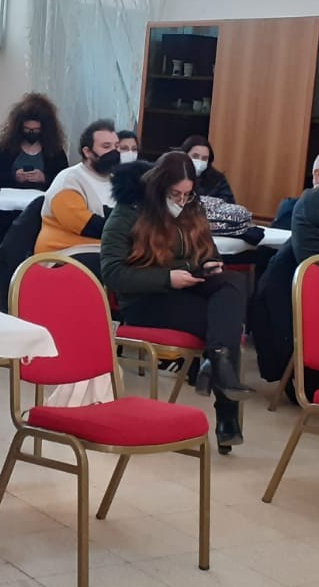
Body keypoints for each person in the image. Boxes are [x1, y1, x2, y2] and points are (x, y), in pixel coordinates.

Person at [101, 152, 254, 452]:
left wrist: (209, 264)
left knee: (233, 283)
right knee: (223, 322)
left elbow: (208, 250)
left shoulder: (192, 207)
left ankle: (217, 361)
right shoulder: (129, 212)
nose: (182, 201)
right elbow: (113, 274)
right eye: (175, 194)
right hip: (146, 300)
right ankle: (226, 413)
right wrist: (167, 278)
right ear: (158, 187)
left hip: (188, 286)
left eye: (187, 194)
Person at [35, 119, 119, 255]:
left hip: (105, 252)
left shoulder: (118, 181)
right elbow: (88, 226)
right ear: (87, 152)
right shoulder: (69, 181)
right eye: (106, 146)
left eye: (116, 146)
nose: (114, 152)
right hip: (64, 255)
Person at [0, 93, 68, 191]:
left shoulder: (55, 151)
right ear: (19, 128)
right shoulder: (7, 147)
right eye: (27, 129)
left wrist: (44, 178)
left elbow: (64, 180)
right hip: (11, 197)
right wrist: (14, 177)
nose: (31, 133)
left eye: (36, 130)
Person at [180, 135, 235, 203]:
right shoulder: (172, 173)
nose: (199, 161)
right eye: (195, 156)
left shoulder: (217, 180)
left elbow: (229, 204)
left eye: (204, 158)